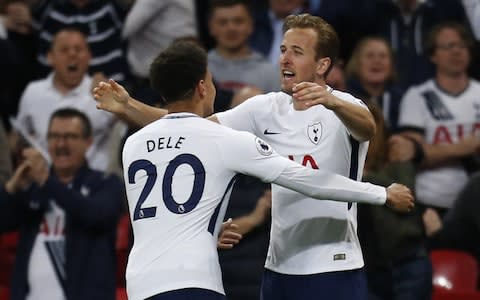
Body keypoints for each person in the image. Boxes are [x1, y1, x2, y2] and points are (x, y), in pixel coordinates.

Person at [94, 15, 412, 300]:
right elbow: (192, 127)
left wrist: (331, 102)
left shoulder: (345, 105)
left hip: (333, 262)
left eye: (297, 52)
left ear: (322, 65)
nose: (285, 59)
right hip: (279, 267)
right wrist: (130, 107)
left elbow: (368, 127)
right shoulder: (265, 108)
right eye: (283, 49)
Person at [0, 108, 125, 300]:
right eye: (54, 136)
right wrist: (11, 188)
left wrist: (47, 181)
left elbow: (96, 215)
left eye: (70, 137)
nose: (60, 144)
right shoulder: (35, 188)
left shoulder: (106, 184)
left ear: (88, 142)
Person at [397, 21, 480, 216]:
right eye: (448, 46)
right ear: (433, 55)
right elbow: (410, 155)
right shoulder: (417, 96)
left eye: (461, 45)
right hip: (434, 201)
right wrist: (467, 147)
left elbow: (423, 152)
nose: (457, 52)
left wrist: (435, 151)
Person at [15, 28, 117, 172]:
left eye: (78, 49)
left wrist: (115, 100)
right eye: (64, 50)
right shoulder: (33, 92)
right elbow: (19, 136)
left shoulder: (103, 91)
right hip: (43, 182)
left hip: (93, 184)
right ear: (50, 57)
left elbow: (132, 128)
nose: (72, 54)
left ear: (89, 56)